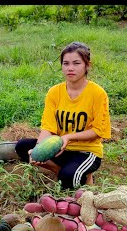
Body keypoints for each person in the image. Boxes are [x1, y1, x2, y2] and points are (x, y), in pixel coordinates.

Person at [15, 41, 111, 190]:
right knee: (23, 147)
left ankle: (79, 174)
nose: (70, 68)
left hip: (86, 151)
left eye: (76, 63)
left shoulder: (97, 94)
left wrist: (68, 137)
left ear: (87, 65)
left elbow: (98, 131)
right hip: (60, 149)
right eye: (65, 63)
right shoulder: (54, 92)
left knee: (68, 179)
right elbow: (48, 128)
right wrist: (39, 149)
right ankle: (62, 171)